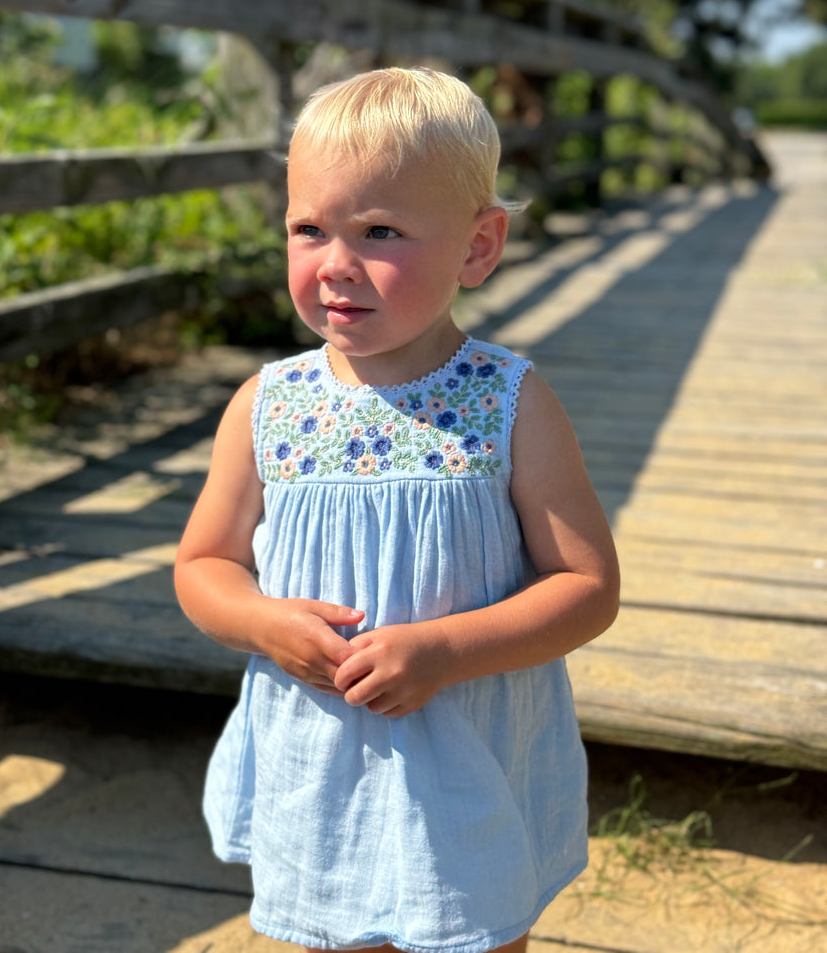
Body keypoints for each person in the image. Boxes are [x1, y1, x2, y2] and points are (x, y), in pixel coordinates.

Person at [174, 66, 620, 953]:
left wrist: (444, 649)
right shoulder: (267, 405)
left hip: (467, 756)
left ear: (478, 247)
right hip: (323, 763)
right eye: (309, 228)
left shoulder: (509, 402)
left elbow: (587, 585)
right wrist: (264, 622)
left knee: (478, 931)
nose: (335, 263)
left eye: (380, 231)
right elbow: (203, 566)